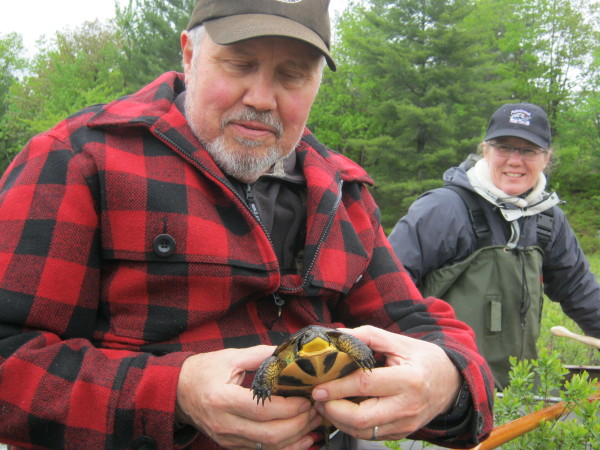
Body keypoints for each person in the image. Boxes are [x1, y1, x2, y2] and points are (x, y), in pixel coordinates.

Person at [0, 1, 494, 449]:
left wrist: (446, 380)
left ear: (317, 83)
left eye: (292, 75)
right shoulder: (79, 160)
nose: (261, 97)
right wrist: (174, 395)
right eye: (239, 64)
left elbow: (415, 324)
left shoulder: (343, 191)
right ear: (190, 54)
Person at [388, 102, 600, 389]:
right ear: (485, 150)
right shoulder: (444, 208)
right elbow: (388, 289)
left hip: (517, 391)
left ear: (546, 157)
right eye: (504, 147)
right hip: (444, 389)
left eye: (528, 150)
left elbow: (578, 289)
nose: (515, 160)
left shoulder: (548, 219)